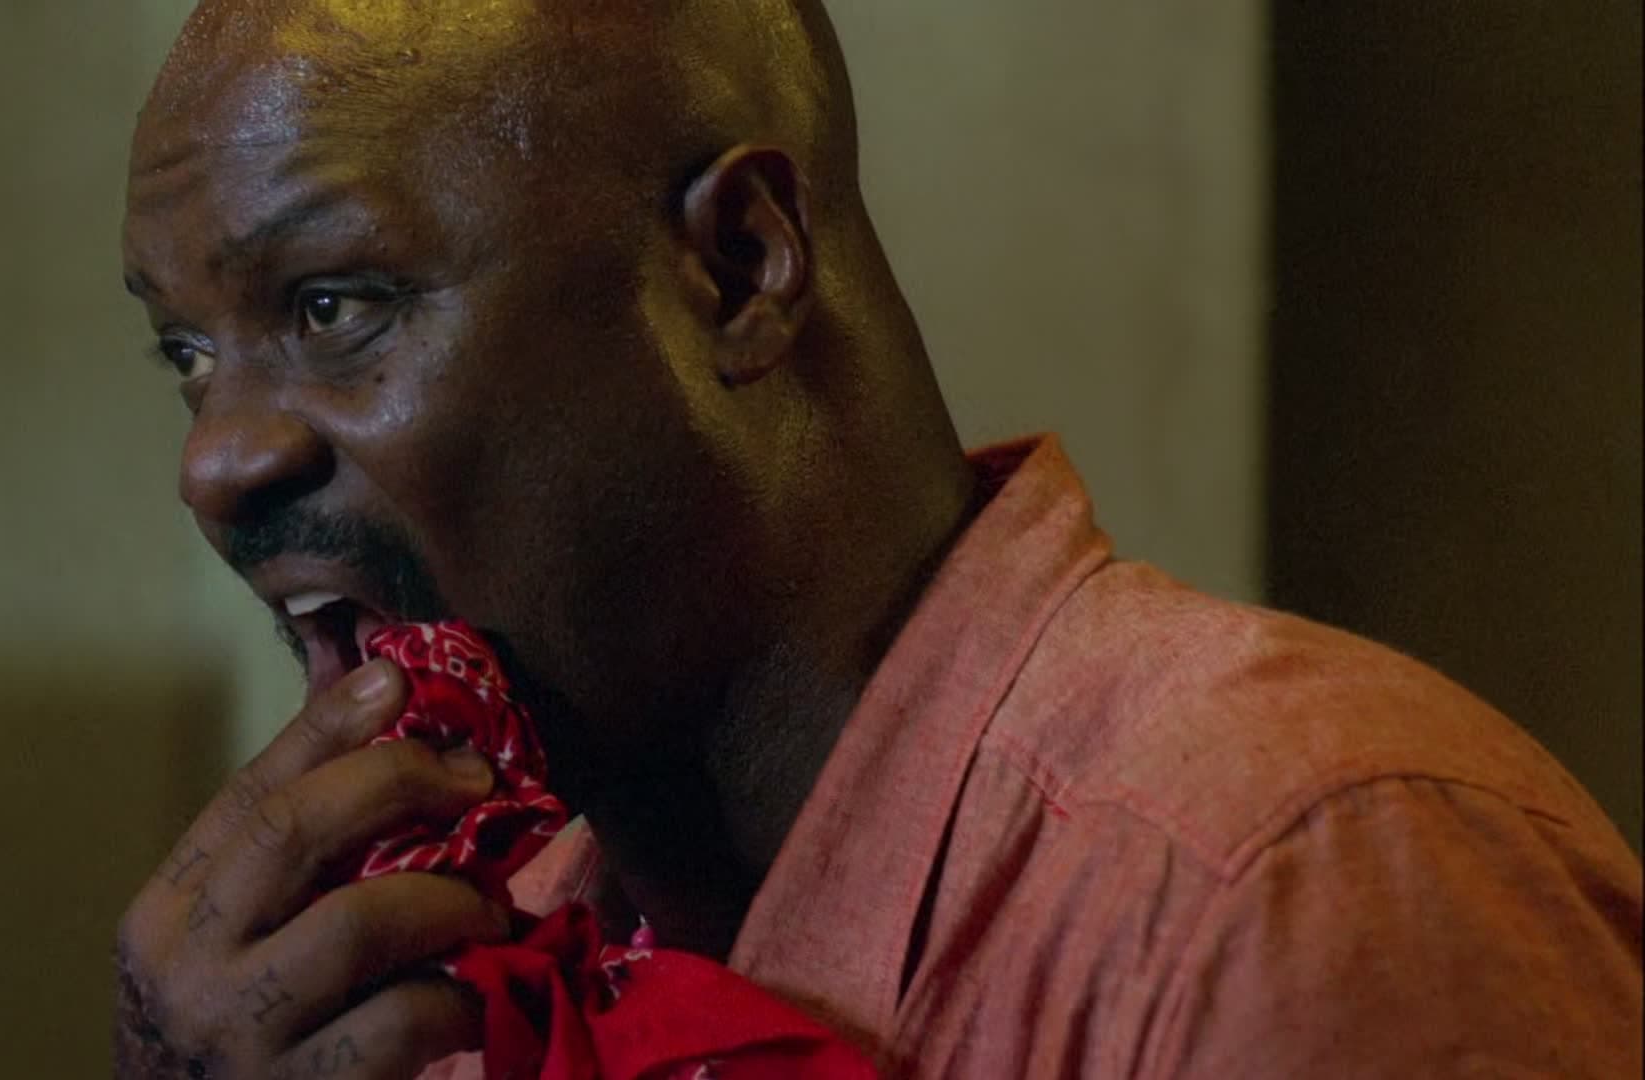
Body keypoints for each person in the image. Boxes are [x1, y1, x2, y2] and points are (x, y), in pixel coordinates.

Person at [112, 1, 1644, 1076]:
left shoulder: (1289, 890)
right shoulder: (451, 983)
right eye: (186, 353)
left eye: (336, 305)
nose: (215, 461)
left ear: (736, 269)